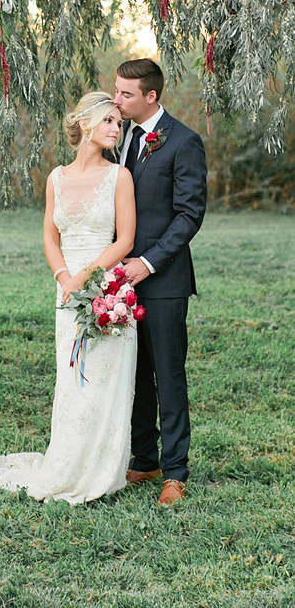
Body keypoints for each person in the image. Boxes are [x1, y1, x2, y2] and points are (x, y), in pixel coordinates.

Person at [0, 92, 137, 504]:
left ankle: (102, 470)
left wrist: (87, 277)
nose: (115, 129)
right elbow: (49, 236)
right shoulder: (56, 177)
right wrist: (63, 277)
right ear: (86, 123)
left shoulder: (118, 177)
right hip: (66, 287)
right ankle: (67, 461)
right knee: (71, 379)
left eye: (119, 123)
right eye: (109, 121)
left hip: (106, 286)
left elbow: (124, 239)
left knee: (105, 378)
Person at [113, 58, 207, 509]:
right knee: (134, 375)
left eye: (126, 94)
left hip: (164, 281)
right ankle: (144, 458)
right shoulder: (119, 137)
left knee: (168, 376)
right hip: (120, 284)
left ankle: (175, 472)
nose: (117, 100)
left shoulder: (184, 142)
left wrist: (147, 263)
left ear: (152, 96)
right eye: (116, 91)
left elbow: (189, 215)